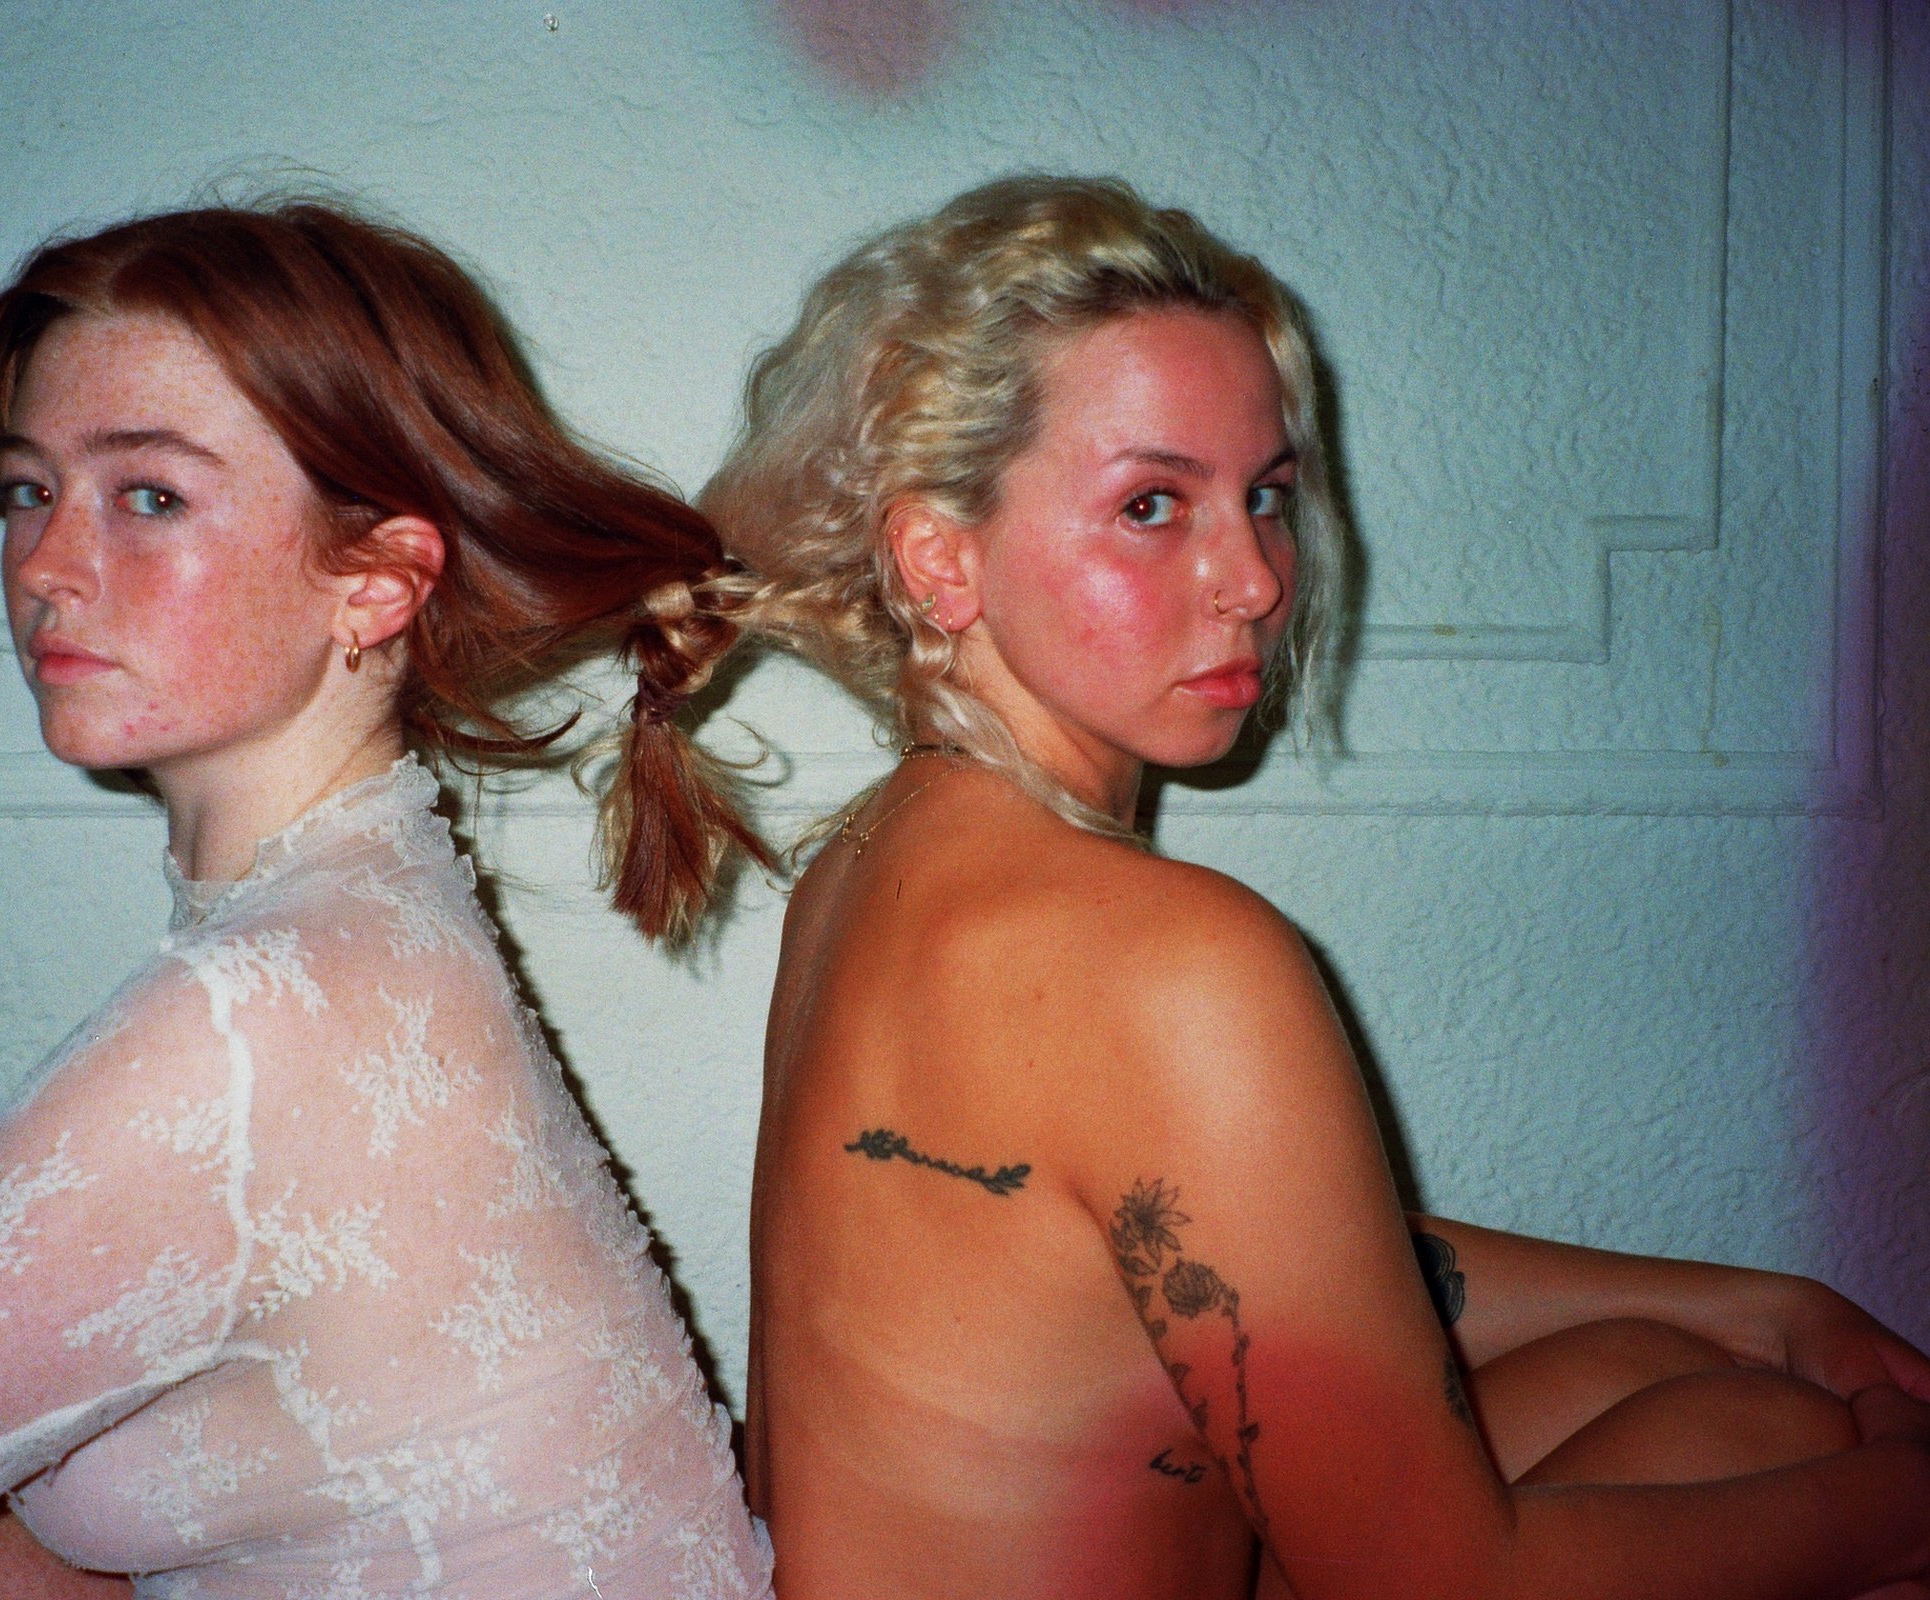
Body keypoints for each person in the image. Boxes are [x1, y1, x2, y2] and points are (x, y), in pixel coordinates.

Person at [706, 174, 1930, 1599]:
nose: (1254, 580)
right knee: (1781, 1451)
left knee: (1673, 1374)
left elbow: (1234, 1246)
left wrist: (1763, 1309)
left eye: (1266, 498)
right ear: (940, 559)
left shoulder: (875, 857)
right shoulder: (1161, 958)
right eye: (1153, 505)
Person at [0, 198, 775, 1600]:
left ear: (376, 582)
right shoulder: (368, 900)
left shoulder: (250, 1022)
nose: (44, 566)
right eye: (29, 489)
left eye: (149, 497)